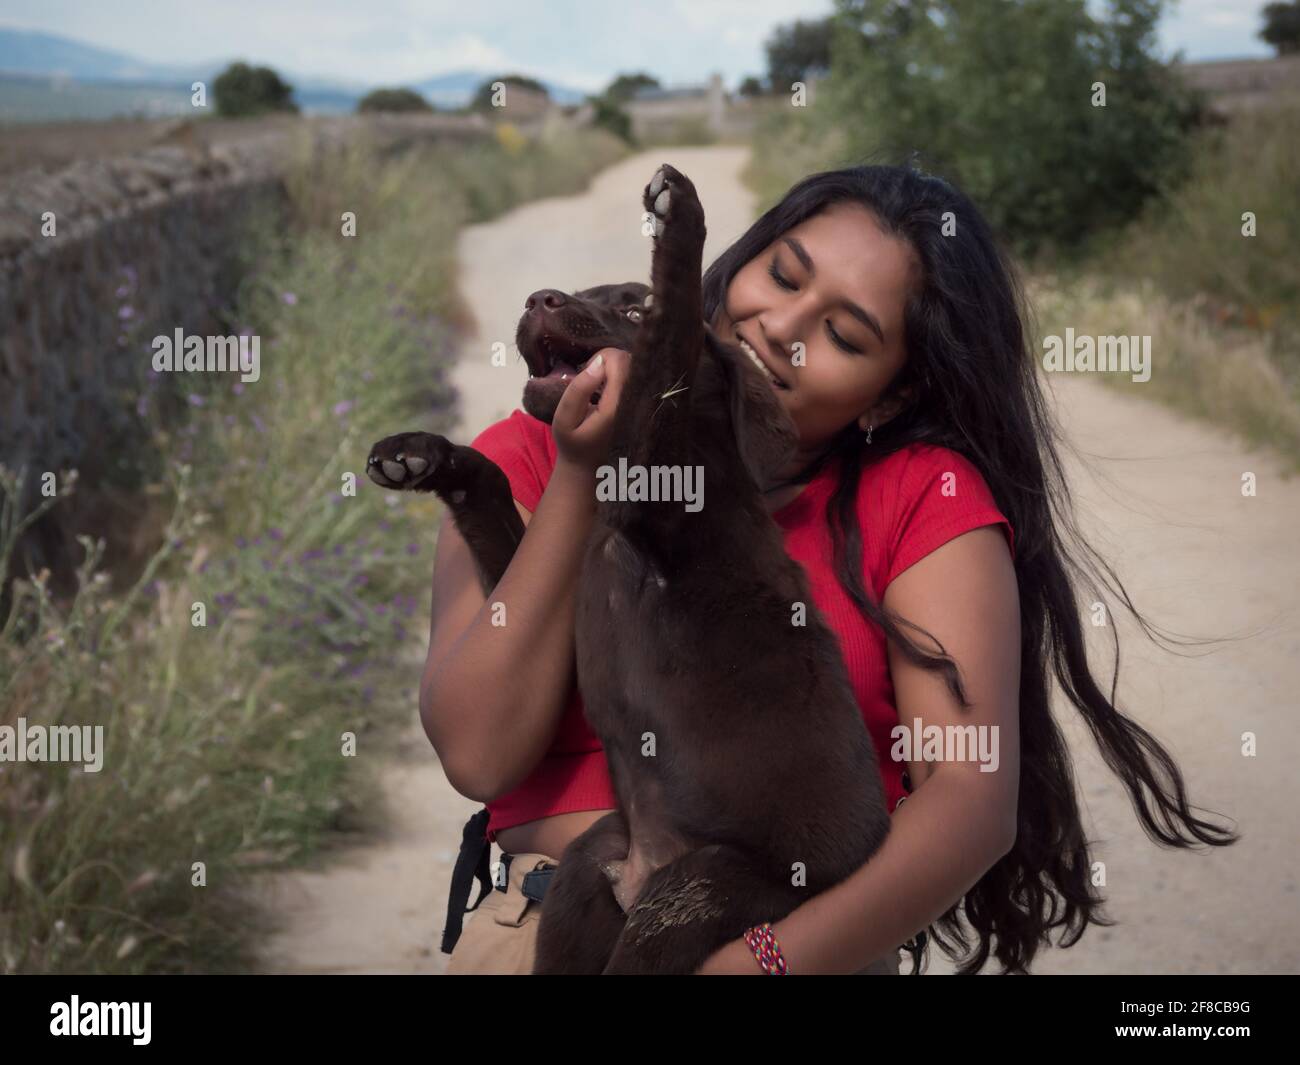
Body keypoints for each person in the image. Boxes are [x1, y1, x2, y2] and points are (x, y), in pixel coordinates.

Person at [426, 163, 1238, 976]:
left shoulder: (918, 495)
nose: (783, 326)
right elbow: (479, 752)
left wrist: (760, 963)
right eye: (781, 275)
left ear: (891, 392)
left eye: (846, 335)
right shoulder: (530, 454)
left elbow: (968, 796)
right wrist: (582, 473)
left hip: (789, 945)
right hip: (547, 931)